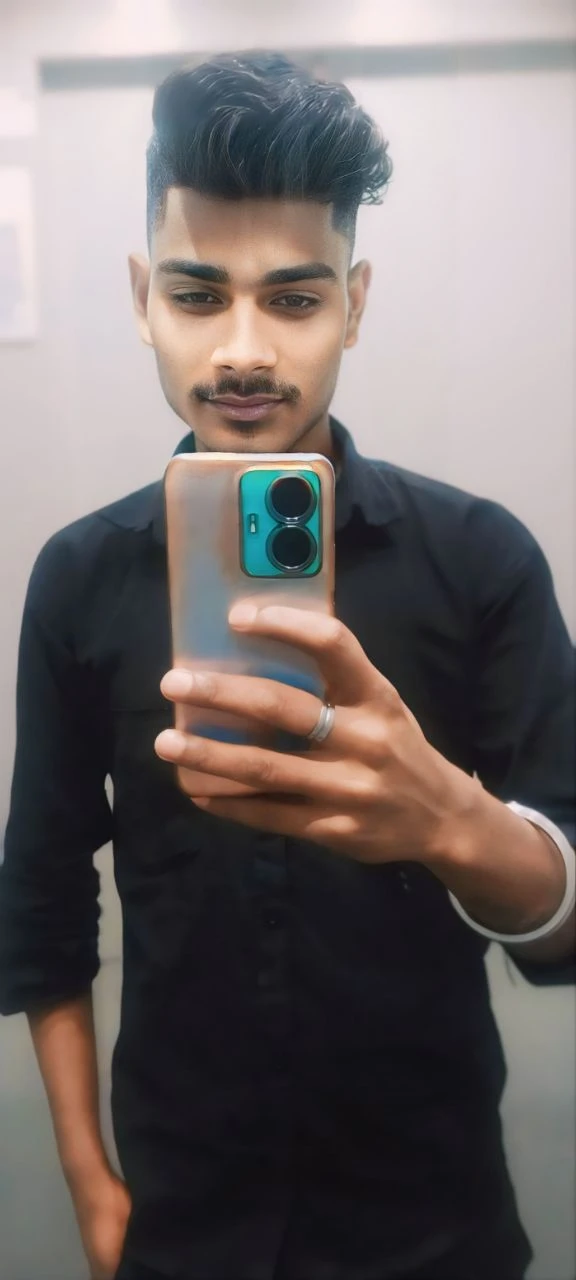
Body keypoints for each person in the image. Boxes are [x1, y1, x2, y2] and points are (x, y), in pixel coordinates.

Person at [0, 50, 574, 1280]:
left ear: (354, 305)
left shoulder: (480, 559)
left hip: (435, 1232)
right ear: (143, 296)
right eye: (199, 294)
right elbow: (40, 898)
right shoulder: (80, 578)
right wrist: (89, 1181)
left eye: (296, 299)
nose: (244, 351)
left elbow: (571, 917)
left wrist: (453, 822)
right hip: (180, 1225)